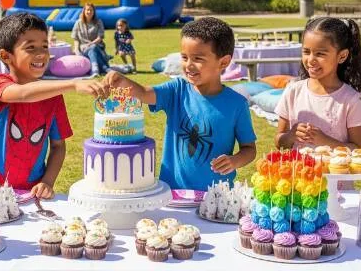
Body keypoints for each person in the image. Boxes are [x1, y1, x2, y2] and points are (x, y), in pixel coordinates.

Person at [105, 17, 257, 191]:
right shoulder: (177, 90)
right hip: (173, 193)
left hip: (215, 196)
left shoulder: (237, 104)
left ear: (223, 62)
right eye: (184, 57)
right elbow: (145, 93)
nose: (189, 65)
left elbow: (249, 149)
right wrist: (122, 81)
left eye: (198, 59)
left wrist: (235, 161)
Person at [0, 13, 108, 198]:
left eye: (45, 46)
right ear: (5, 56)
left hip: (31, 194)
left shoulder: (53, 97)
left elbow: (58, 146)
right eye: (30, 47)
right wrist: (73, 84)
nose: (41, 53)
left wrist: (47, 181)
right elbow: (23, 94)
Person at [275, 17, 361, 150]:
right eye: (306, 52)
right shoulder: (293, 91)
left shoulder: (351, 100)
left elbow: (359, 149)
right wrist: (291, 135)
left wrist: (325, 141)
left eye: (320, 54)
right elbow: (279, 142)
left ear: (342, 56)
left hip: (334, 165)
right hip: (298, 164)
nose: (311, 60)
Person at [72, 3, 111, 75]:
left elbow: (100, 37)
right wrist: (76, 49)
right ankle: (104, 68)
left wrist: (91, 43)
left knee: (93, 47)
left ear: (94, 12)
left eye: (91, 10)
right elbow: (76, 39)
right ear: (84, 11)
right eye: (87, 10)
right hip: (84, 48)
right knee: (93, 48)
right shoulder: (78, 23)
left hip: (98, 46)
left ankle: (96, 69)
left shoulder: (98, 22)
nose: (89, 12)